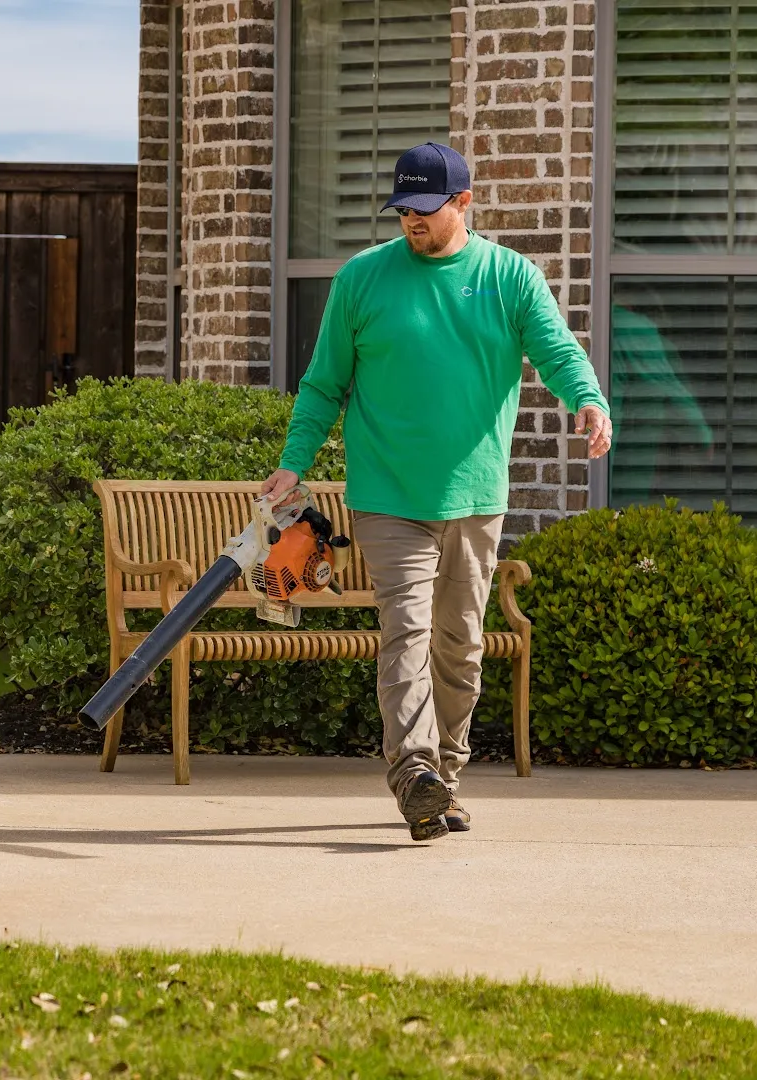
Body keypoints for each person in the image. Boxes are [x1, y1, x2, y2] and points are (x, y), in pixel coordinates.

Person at [261, 142, 612, 841]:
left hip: (476, 494)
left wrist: (588, 399)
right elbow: (325, 382)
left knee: (460, 645)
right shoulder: (362, 280)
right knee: (409, 633)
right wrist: (293, 462)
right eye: (403, 211)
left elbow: (557, 350)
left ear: (462, 203)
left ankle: (443, 779)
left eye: (426, 210)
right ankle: (412, 770)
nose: (412, 224)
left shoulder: (510, 277)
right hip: (388, 495)